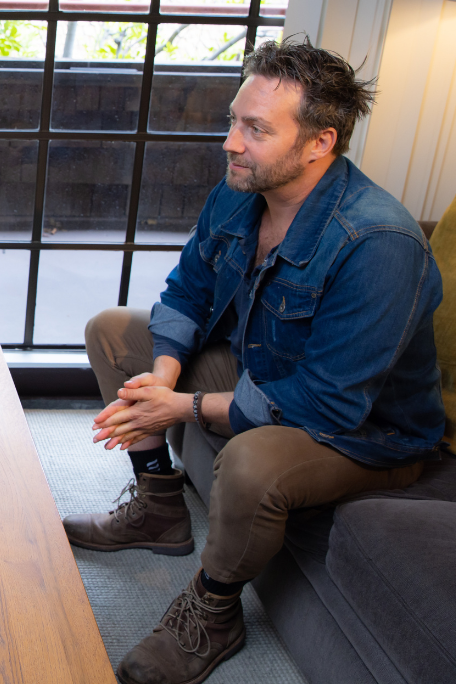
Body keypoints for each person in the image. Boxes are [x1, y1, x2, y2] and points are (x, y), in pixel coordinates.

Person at [64, 37, 445, 684]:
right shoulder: (241, 191)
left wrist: (181, 406)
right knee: (114, 332)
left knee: (251, 456)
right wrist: (161, 376)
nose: (231, 143)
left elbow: (326, 401)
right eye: (234, 121)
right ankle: (159, 506)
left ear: (320, 142)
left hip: (364, 432)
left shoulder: (380, 244)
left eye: (256, 129)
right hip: (265, 369)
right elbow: (186, 290)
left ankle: (214, 609)